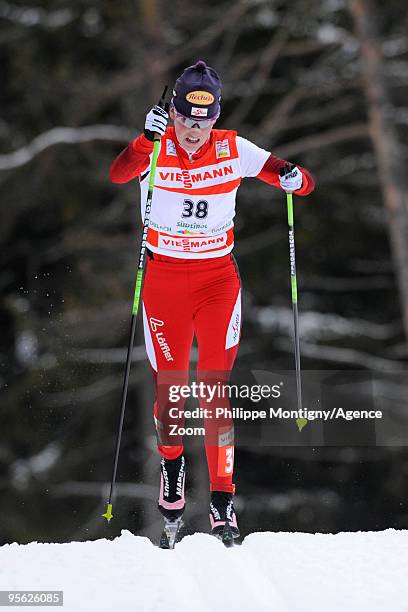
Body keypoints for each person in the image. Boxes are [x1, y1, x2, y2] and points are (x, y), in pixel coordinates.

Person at [110, 60, 315, 540]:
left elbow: (297, 178)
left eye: (204, 120)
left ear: (215, 116)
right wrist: (144, 141)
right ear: (174, 112)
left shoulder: (233, 148)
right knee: (171, 389)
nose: (194, 129)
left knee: (214, 386)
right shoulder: (154, 146)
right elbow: (120, 174)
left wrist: (293, 179)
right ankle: (172, 468)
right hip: (163, 280)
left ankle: (223, 498)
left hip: (217, 281)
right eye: (186, 118)